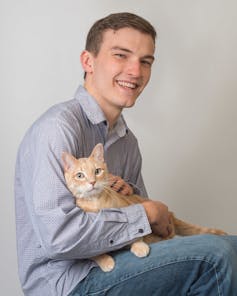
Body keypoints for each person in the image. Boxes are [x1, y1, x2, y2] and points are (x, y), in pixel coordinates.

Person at [14, 12, 237, 296]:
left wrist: (157, 222)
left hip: (125, 262)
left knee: (233, 246)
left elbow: (145, 232)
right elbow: (59, 239)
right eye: (121, 55)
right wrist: (144, 213)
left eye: (146, 61)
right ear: (88, 61)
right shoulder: (58, 128)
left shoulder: (127, 142)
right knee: (214, 255)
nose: (136, 71)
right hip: (72, 281)